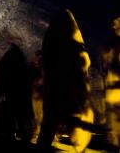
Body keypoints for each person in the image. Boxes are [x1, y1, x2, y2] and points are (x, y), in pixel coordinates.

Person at [37, 9, 93, 153]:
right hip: (67, 87)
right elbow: (83, 63)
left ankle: (45, 145)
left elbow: (47, 61)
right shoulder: (73, 40)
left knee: (50, 121)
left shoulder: (51, 36)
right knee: (68, 119)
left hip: (54, 86)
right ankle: (79, 146)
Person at [0, 43, 33, 143]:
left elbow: (2, 76)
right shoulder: (21, 62)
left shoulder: (8, 60)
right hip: (19, 94)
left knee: (11, 114)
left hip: (11, 94)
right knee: (19, 114)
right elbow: (27, 80)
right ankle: (22, 133)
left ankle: (10, 134)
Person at [101, 16, 120, 149]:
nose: (113, 26)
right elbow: (107, 64)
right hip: (112, 85)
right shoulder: (112, 42)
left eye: (116, 24)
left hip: (116, 85)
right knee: (113, 118)